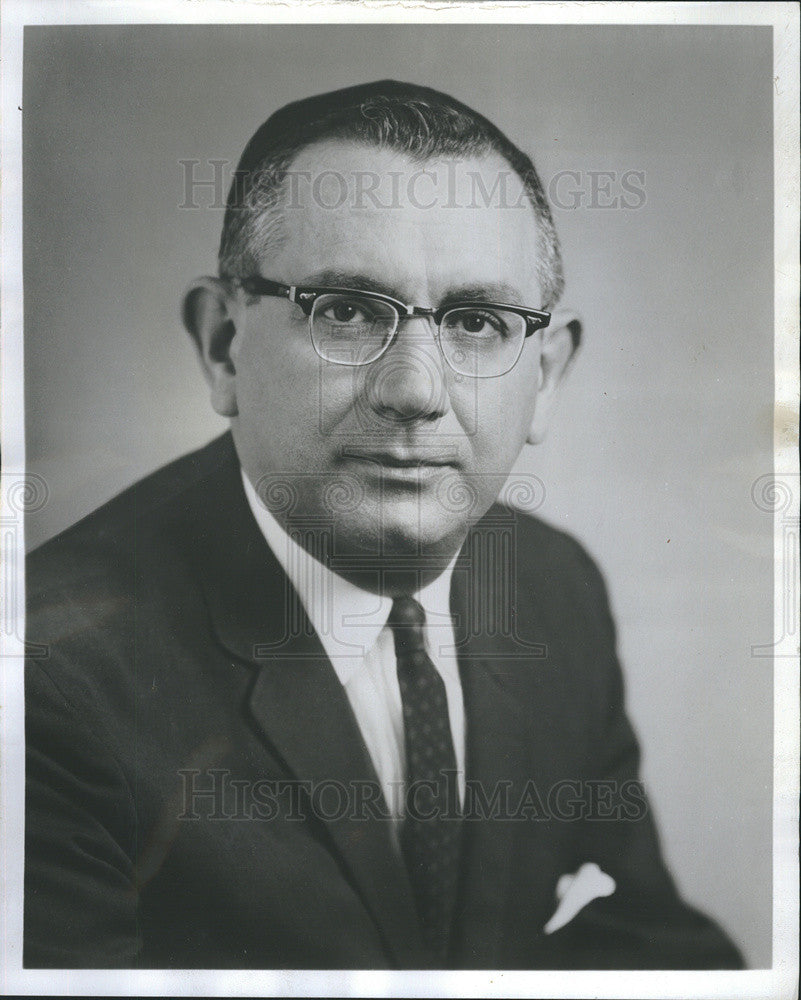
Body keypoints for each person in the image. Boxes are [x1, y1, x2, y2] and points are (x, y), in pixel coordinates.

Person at [24, 79, 743, 970]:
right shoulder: (44, 684)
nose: (414, 392)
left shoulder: (553, 591)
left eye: (477, 322)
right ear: (222, 346)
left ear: (546, 380)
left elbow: (640, 948)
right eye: (348, 311)